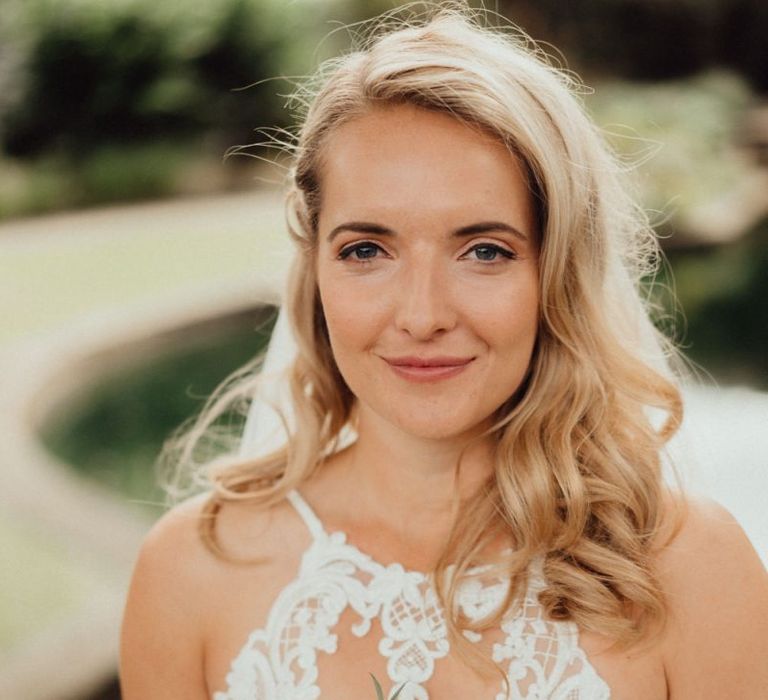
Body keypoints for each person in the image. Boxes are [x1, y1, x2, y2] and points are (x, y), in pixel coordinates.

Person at [119, 5, 768, 699]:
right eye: (367, 249)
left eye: (484, 250)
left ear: (557, 272)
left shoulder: (691, 570)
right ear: (314, 265)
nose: (422, 315)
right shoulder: (189, 571)